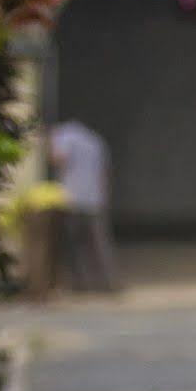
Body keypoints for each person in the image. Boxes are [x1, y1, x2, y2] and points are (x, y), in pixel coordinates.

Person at [48, 119, 119, 293]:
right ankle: (108, 284)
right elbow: (104, 173)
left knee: (74, 245)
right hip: (94, 199)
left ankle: (79, 285)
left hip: (72, 198)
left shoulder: (64, 136)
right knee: (99, 244)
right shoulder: (95, 140)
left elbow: (58, 159)